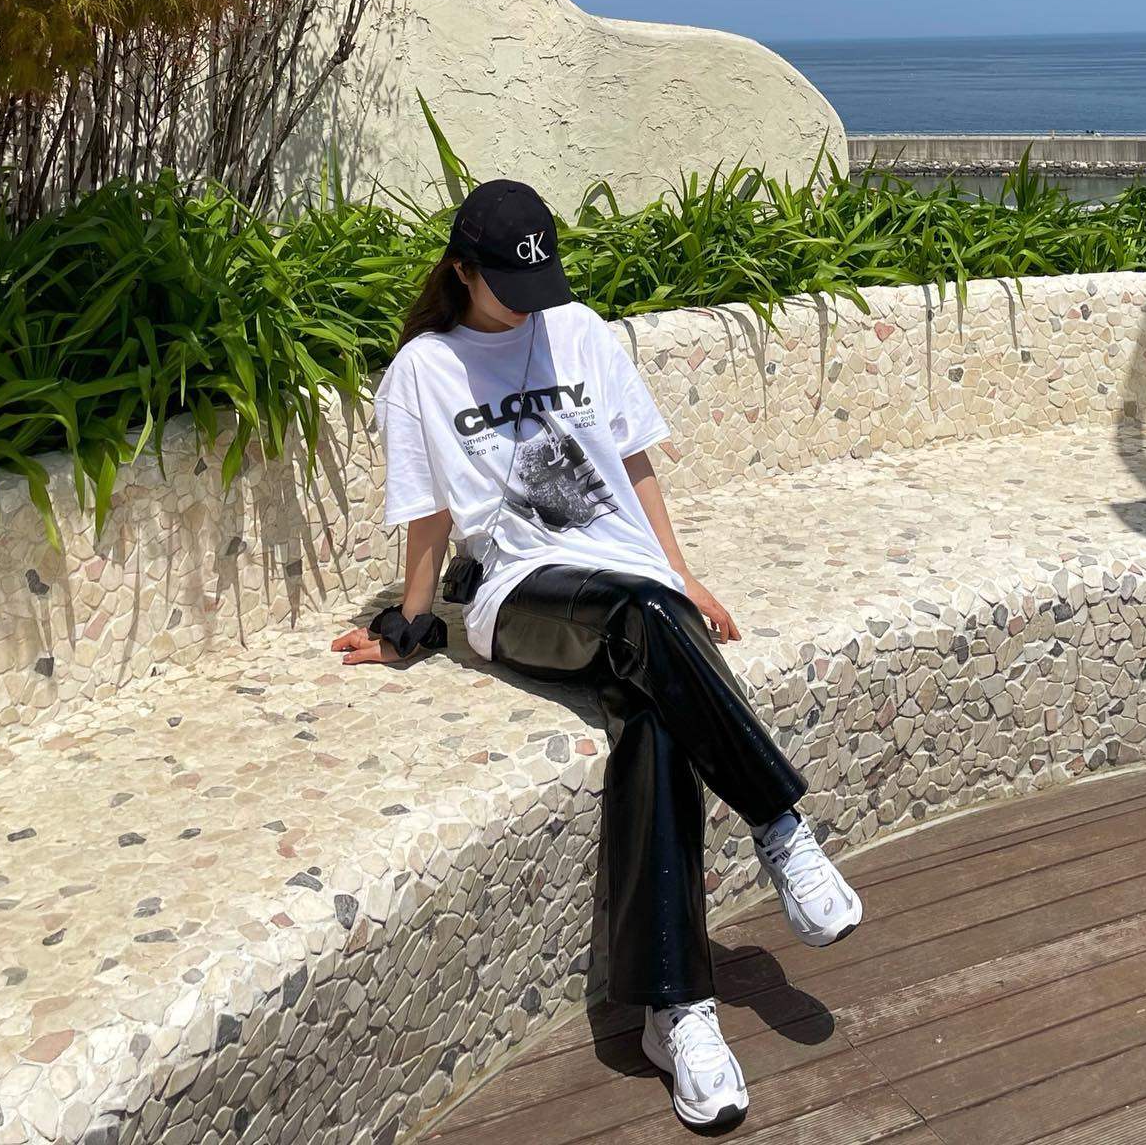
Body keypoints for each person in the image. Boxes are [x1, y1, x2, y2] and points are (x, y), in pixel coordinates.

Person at [332, 177, 862, 1131]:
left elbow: (636, 461)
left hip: (632, 583)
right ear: (463, 270)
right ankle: (780, 825)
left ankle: (676, 1012)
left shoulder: (578, 329)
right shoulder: (424, 369)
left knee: (653, 719)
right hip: (523, 594)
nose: (528, 306)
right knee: (643, 623)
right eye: (507, 288)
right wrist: (410, 622)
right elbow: (429, 513)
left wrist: (683, 574)